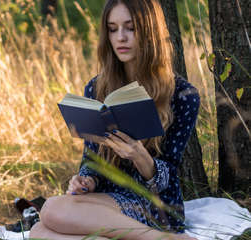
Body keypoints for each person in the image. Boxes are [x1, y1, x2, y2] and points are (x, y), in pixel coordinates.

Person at [29, 0, 200, 239]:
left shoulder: (182, 95)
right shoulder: (96, 87)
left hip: (154, 206)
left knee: (51, 210)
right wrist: (85, 180)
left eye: (131, 28)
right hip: (106, 199)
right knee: (38, 231)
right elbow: (91, 160)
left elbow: (168, 178)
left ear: (150, 31)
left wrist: (140, 156)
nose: (121, 37)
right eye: (113, 29)